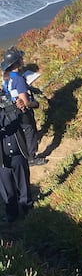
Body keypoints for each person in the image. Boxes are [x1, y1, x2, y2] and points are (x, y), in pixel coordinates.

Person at [2, 47, 47, 167]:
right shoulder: (19, 79)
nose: (23, 59)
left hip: (12, 111)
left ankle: (26, 156)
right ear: (17, 62)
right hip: (23, 111)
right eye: (21, 58)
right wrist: (35, 104)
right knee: (30, 132)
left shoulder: (7, 78)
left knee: (22, 134)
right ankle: (32, 158)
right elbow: (25, 102)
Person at [0, 90, 32, 222]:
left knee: (23, 185)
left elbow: (26, 123)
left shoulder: (11, 109)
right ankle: (11, 215)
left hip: (18, 154)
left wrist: (24, 111)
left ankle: (28, 212)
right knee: (7, 191)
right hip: (2, 160)